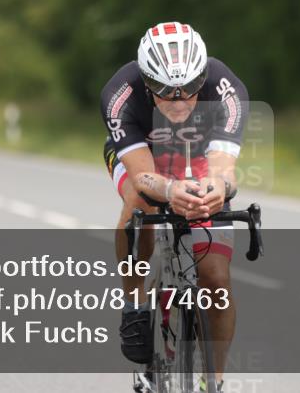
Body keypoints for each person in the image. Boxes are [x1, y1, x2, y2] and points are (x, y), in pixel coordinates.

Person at [101, 22, 248, 388]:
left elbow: (224, 172)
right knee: (142, 201)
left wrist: (217, 188)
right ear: (148, 82)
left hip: (198, 157)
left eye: (190, 89)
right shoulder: (121, 92)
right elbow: (142, 177)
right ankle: (135, 301)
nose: (179, 101)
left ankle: (213, 381)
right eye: (166, 91)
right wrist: (169, 192)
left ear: (203, 77)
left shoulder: (225, 87)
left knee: (215, 278)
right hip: (142, 157)